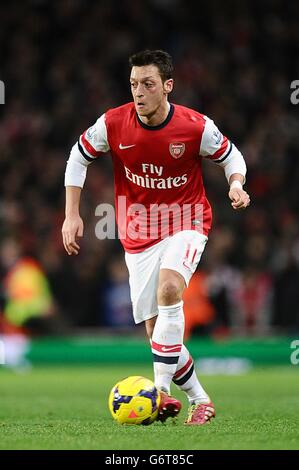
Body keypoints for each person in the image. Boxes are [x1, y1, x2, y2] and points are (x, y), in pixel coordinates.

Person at [62, 50, 250, 425]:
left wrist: (236, 184)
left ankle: (158, 393)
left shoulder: (194, 126)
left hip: (187, 220)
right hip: (139, 234)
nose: (139, 92)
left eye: (148, 84)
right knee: (157, 332)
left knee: (169, 291)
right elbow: (78, 157)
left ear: (167, 86)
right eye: (133, 84)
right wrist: (71, 214)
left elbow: (232, 156)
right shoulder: (113, 123)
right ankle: (201, 399)